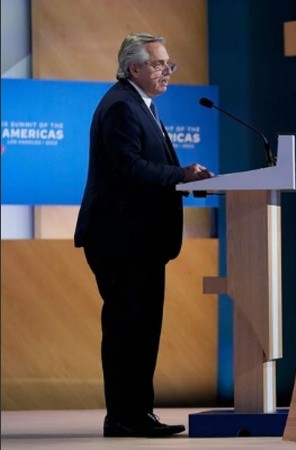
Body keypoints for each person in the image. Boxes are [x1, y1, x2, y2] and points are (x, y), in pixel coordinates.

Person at [74, 32, 214, 438]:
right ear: (133, 67)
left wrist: (189, 181)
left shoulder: (140, 105)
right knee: (127, 329)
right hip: (121, 240)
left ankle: (137, 413)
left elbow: (148, 169)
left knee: (141, 329)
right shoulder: (121, 106)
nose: (167, 71)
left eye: (169, 63)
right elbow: (128, 170)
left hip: (140, 241)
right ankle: (124, 416)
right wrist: (181, 175)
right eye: (158, 64)